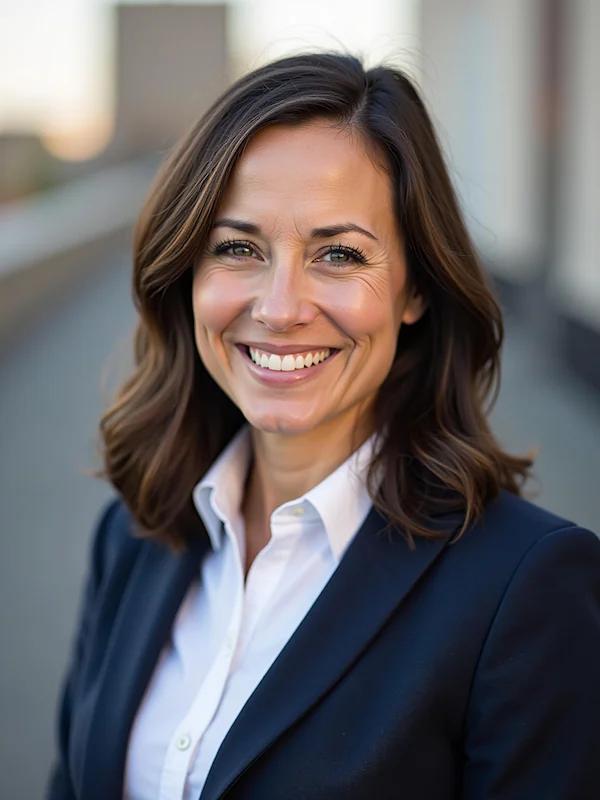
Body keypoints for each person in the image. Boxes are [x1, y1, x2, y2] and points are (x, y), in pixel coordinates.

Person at [47, 53, 600, 800]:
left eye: (338, 254)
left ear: (415, 289)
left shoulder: (528, 589)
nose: (280, 308)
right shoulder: (133, 536)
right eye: (238, 248)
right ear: (188, 273)